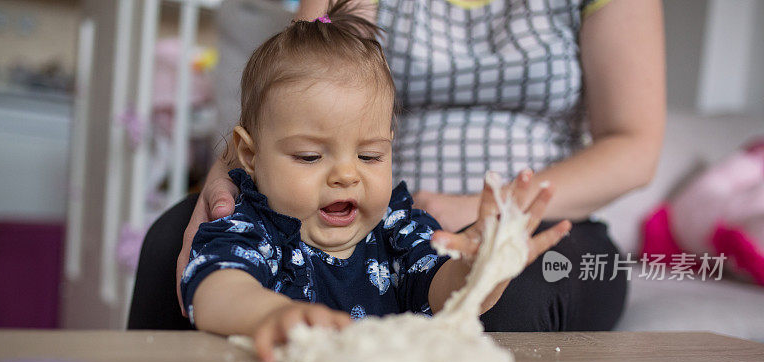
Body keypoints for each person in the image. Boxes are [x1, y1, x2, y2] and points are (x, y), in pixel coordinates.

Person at [164, 0, 665, 334]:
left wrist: (484, 263)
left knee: (496, 304)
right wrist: (272, 313)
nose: (345, 174)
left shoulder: (402, 229)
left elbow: (441, 286)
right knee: (170, 237)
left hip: (503, 224)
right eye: (312, 157)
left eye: (371, 155)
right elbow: (295, 83)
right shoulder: (254, 229)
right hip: (340, 216)